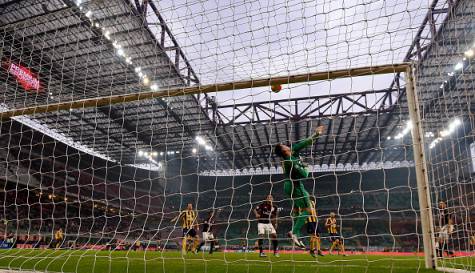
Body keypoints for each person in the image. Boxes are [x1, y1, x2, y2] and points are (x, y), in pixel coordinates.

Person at [274, 125, 324, 247]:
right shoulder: (290, 161)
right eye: (284, 145)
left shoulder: (293, 151)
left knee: (297, 209)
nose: (287, 145)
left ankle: (297, 237)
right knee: (308, 209)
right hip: (295, 185)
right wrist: (305, 165)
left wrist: (316, 134)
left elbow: (305, 142)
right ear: (284, 150)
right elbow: (305, 174)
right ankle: (293, 232)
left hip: (288, 185)